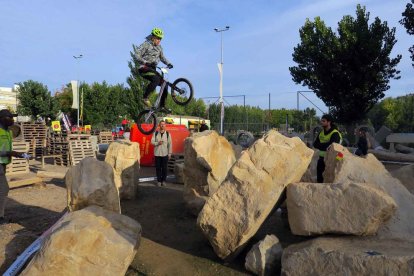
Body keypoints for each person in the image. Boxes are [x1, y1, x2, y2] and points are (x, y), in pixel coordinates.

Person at [134, 27, 173, 112]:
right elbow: (136, 55)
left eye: (160, 39)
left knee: (164, 84)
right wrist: (145, 62)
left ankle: (162, 105)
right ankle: (145, 97)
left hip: (152, 69)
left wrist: (168, 63)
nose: (159, 40)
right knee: (155, 79)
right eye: (157, 38)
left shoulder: (159, 48)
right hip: (144, 68)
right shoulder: (146, 44)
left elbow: (162, 58)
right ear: (153, 37)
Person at [0, 109, 28, 225]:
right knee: (4, 189)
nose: (12, 120)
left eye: (13, 117)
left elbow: (7, 148)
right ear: (2, 118)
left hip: (3, 163)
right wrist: (11, 153)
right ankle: (0, 217)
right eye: (10, 117)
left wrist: (19, 154)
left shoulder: (8, 132)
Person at [313, 114, 342, 183]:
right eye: (321, 121)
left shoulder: (335, 133)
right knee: (320, 179)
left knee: (331, 180)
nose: (321, 122)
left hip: (335, 159)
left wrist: (321, 145)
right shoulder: (321, 133)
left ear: (329, 122)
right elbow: (315, 144)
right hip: (322, 158)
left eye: (323, 121)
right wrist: (325, 146)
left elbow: (332, 146)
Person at [151, 120, 172, 187]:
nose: (162, 125)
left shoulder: (168, 134)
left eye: (163, 124)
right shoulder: (156, 133)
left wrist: (169, 153)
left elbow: (170, 144)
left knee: (164, 168)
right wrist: (157, 143)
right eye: (161, 124)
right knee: (158, 168)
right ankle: (159, 181)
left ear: (165, 125)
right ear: (159, 126)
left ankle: (164, 181)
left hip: (165, 154)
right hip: (157, 153)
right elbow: (152, 142)